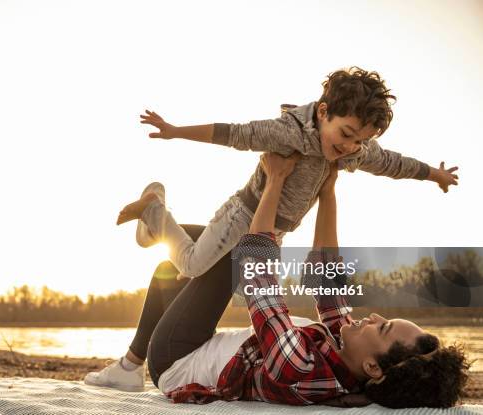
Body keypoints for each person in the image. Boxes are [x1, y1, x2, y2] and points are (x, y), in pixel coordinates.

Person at [86, 153, 469, 408]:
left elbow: (259, 279)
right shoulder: (352, 356)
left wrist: (274, 181)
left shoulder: (301, 368)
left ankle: (157, 223)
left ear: (373, 368)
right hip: (203, 342)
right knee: (171, 271)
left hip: (175, 357)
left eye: (382, 327)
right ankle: (128, 364)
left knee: (232, 251)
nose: (370, 317)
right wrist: (328, 190)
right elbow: (325, 273)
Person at [118, 67, 459, 281]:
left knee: (261, 294)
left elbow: (394, 164)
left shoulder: (357, 150)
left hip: (275, 233)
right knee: (191, 266)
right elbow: (236, 133)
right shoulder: (288, 132)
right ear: (324, 112)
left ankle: (155, 230)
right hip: (244, 215)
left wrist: (435, 176)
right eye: (346, 134)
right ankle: (155, 208)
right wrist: (176, 131)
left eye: (361, 140)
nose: (351, 146)